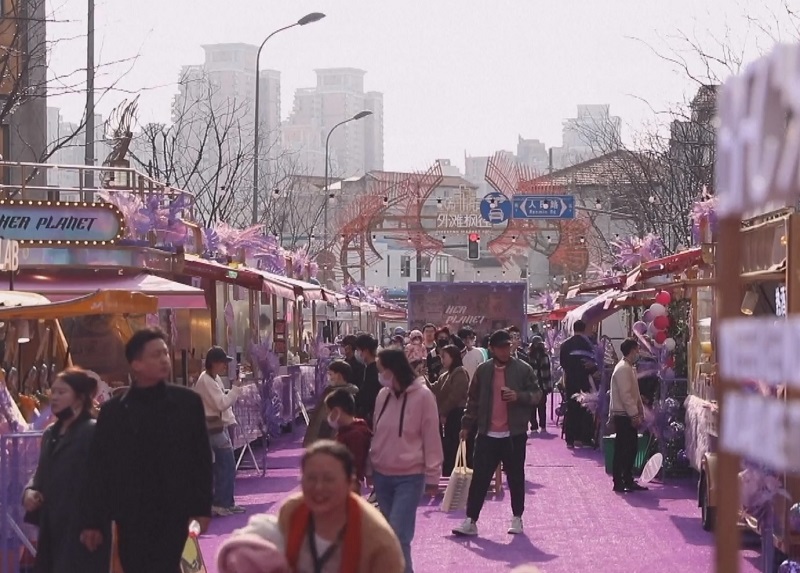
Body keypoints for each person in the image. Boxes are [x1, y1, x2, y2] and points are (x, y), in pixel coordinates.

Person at [81, 327, 213, 573]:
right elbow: (98, 468)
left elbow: (201, 459)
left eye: (165, 353)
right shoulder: (114, 412)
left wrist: (202, 508)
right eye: (156, 355)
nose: (164, 359)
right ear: (136, 364)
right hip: (131, 517)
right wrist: (93, 521)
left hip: (176, 513)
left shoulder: (187, 403)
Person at [452, 329, 541, 538]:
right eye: (501, 347)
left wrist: (518, 396)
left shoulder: (523, 369)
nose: (505, 351)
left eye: (507, 346)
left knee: (516, 478)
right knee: (480, 479)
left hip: (514, 434)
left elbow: (538, 394)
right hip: (486, 433)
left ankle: (517, 517)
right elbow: (472, 400)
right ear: (491, 349)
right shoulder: (483, 371)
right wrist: (466, 425)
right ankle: (471, 520)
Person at [22, 368, 110, 573]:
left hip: (82, 530)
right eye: (53, 391)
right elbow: (41, 473)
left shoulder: (93, 432)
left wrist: (95, 523)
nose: (54, 397)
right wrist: (29, 491)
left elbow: (103, 481)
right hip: (52, 528)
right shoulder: (51, 434)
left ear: (79, 398)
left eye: (62, 392)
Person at [369, 349, 443, 573]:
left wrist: (433, 475)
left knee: (399, 534)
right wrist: (370, 465)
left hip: (410, 477)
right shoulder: (382, 395)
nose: (380, 375)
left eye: (382, 370)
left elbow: (431, 437)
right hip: (382, 474)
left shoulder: (423, 397)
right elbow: (377, 431)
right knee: (389, 536)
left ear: (393, 370)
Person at [280, 440, 405, 572]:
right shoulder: (291, 511)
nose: (318, 487)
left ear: (350, 483)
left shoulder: (378, 538)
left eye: (328, 479)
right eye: (311, 478)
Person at [194, 346, 245, 517]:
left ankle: (226, 502)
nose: (225, 366)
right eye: (223, 362)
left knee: (224, 465)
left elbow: (221, 400)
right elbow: (222, 403)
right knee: (227, 464)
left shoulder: (212, 378)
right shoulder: (207, 380)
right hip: (212, 428)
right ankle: (221, 502)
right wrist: (235, 389)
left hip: (215, 426)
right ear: (214, 363)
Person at [609, 338, 647, 493]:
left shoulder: (628, 367)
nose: (638, 352)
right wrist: (634, 414)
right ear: (632, 350)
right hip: (624, 415)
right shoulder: (623, 369)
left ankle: (627, 478)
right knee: (623, 448)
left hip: (626, 414)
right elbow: (626, 395)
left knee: (630, 448)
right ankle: (619, 481)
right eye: (637, 349)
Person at [431, 345, 470, 476]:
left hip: (457, 414)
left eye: (444, 357)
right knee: (448, 447)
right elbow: (434, 388)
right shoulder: (445, 375)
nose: (442, 360)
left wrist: (443, 411)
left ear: (453, 357)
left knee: (455, 446)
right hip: (449, 415)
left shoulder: (460, 372)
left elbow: (455, 396)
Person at [559, 320, 597, 448]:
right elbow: (595, 362)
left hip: (570, 380)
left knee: (571, 409)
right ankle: (584, 438)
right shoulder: (589, 344)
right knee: (586, 408)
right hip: (585, 379)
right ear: (584, 329)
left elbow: (563, 363)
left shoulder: (565, 344)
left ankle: (570, 439)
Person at [325, 388, 372, 493]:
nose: (328, 416)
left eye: (329, 412)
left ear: (336, 411)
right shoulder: (346, 431)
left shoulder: (355, 435)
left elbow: (355, 466)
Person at [304, 360, 359, 447]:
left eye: (331, 374)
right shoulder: (330, 390)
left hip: (330, 437)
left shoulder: (345, 394)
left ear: (339, 375)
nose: (329, 378)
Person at [354, 334, 381, 426]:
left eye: (358, 350)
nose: (357, 353)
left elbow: (369, 396)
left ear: (365, 351)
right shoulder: (369, 368)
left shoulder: (373, 370)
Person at [528, 336, 552, 434]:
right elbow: (548, 373)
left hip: (536, 384)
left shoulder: (530, 356)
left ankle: (536, 426)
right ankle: (540, 426)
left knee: (535, 407)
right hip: (540, 384)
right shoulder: (543, 356)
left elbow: (548, 372)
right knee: (539, 407)